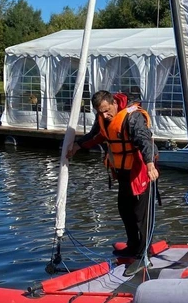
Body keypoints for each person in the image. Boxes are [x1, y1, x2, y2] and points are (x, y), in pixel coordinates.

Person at [67, 90, 159, 276]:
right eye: (100, 112)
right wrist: (78, 145)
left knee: (140, 214)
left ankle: (144, 256)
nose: (104, 115)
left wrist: (150, 165)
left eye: (107, 111)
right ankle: (133, 246)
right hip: (123, 171)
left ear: (114, 104)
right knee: (124, 208)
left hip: (141, 170)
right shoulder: (104, 118)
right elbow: (95, 135)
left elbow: (144, 140)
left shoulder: (132, 117)